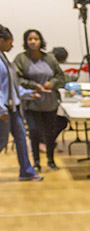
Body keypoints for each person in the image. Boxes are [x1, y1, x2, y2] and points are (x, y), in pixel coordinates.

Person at [13, 29, 66, 171]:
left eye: (36, 39)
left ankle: (51, 160)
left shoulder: (49, 58)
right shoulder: (21, 59)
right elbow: (17, 79)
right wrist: (33, 85)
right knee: (34, 132)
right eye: (29, 39)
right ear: (25, 42)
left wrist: (52, 83)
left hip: (50, 102)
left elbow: (61, 76)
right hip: (31, 102)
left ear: (41, 41)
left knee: (50, 132)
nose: (33, 42)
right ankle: (36, 162)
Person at [0, 25, 41, 181]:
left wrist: (28, 94)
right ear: (1, 40)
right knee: (2, 142)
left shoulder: (4, 58)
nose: (12, 45)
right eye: (10, 42)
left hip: (13, 108)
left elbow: (11, 86)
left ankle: (26, 171)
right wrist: (1, 110)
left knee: (22, 139)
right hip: (4, 110)